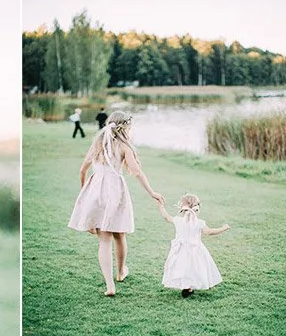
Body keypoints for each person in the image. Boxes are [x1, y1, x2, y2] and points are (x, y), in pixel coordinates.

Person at [67, 111, 165, 296]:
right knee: (119, 234)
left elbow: (82, 170)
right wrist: (152, 192)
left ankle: (110, 285)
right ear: (124, 127)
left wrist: (84, 192)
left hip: (96, 190)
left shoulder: (97, 143)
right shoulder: (124, 146)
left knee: (104, 239)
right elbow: (136, 172)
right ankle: (121, 272)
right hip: (115, 191)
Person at [157, 193, 230, 297]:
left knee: (182, 267)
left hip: (180, 250)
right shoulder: (199, 223)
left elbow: (166, 217)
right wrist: (223, 228)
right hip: (195, 250)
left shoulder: (178, 220)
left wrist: (160, 205)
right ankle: (191, 286)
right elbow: (209, 232)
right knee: (196, 267)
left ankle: (186, 287)